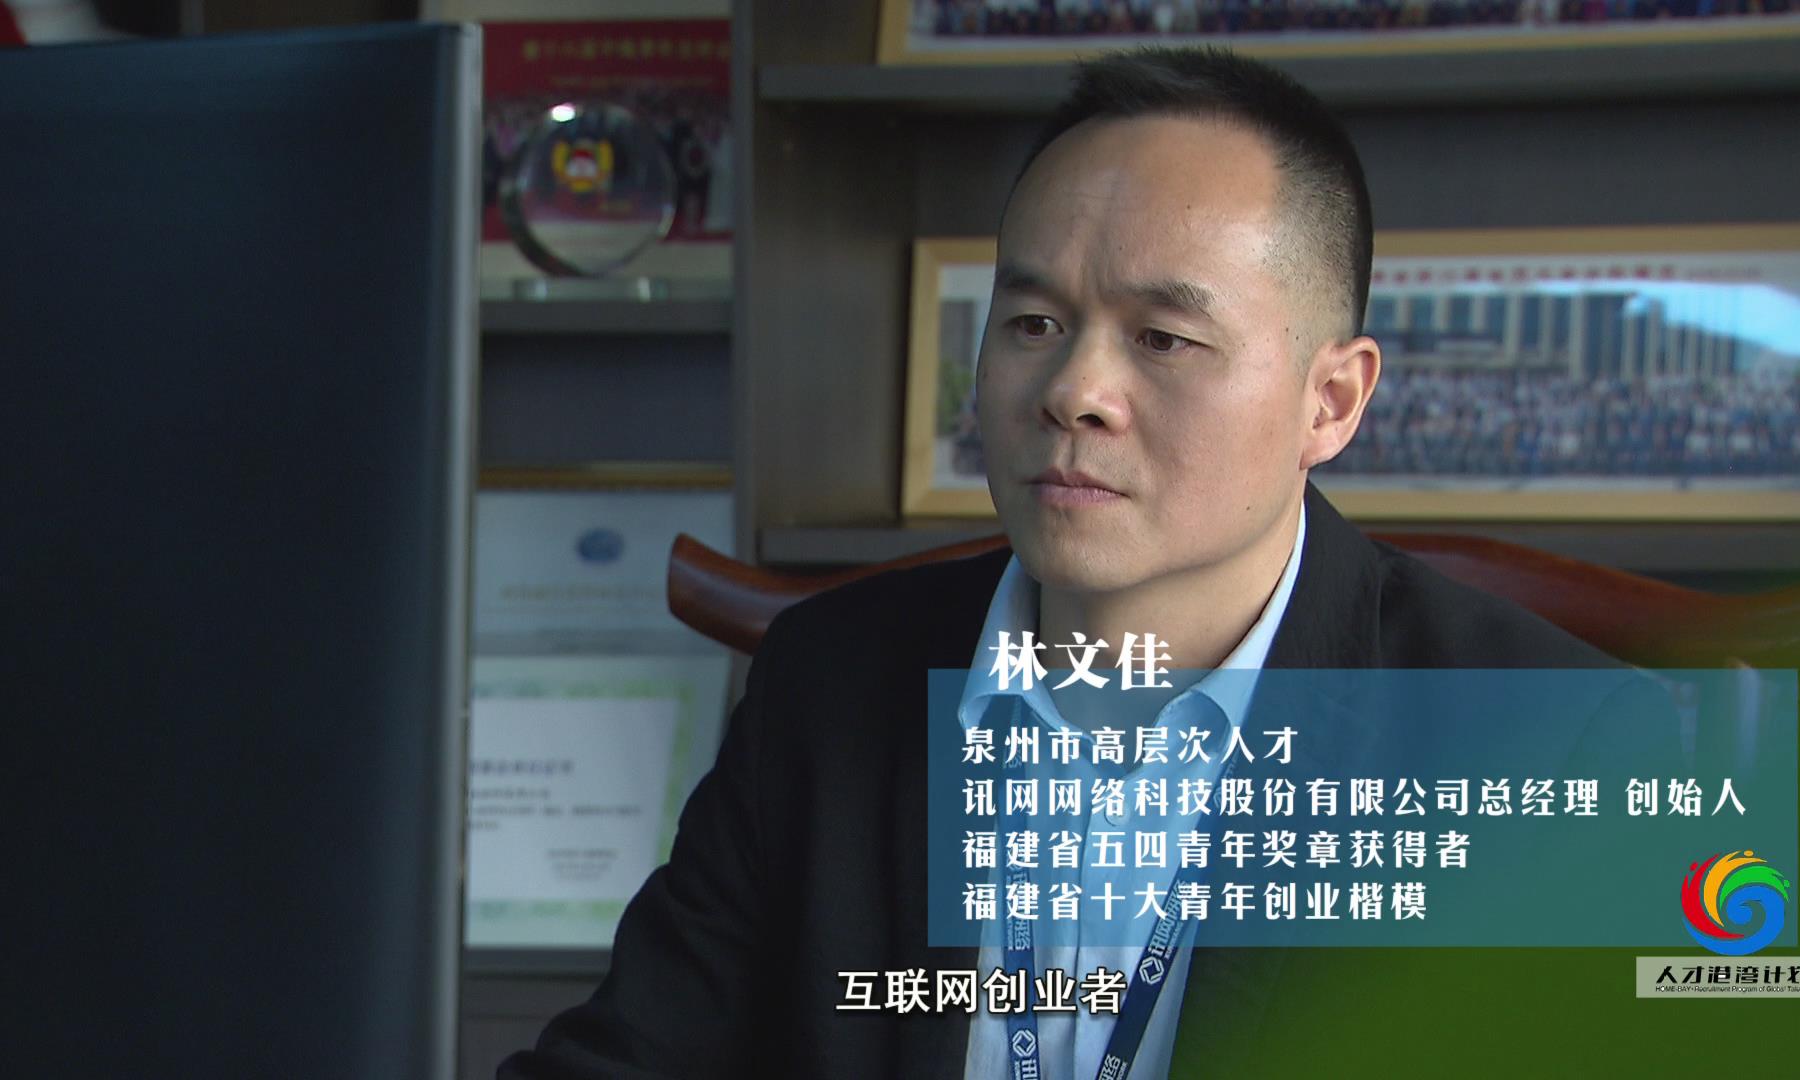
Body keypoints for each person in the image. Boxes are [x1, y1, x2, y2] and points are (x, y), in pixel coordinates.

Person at [499, 46, 1625, 1080]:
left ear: (1329, 401)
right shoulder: (829, 682)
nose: (1074, 392)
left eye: (1163, 338)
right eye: (1033, 322)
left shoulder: (1554, 744)